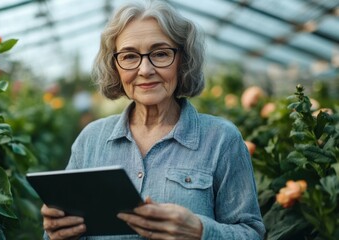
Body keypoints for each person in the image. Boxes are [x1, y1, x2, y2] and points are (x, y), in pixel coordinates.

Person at [41, 0, 265, 239]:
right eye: (129, 56)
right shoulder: (91, 140)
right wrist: (56, 232)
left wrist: (200, 232)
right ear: (115, 66)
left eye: (160, 54)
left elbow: (251, 232)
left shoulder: (221, 139)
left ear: (183, 60)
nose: (145, 69)